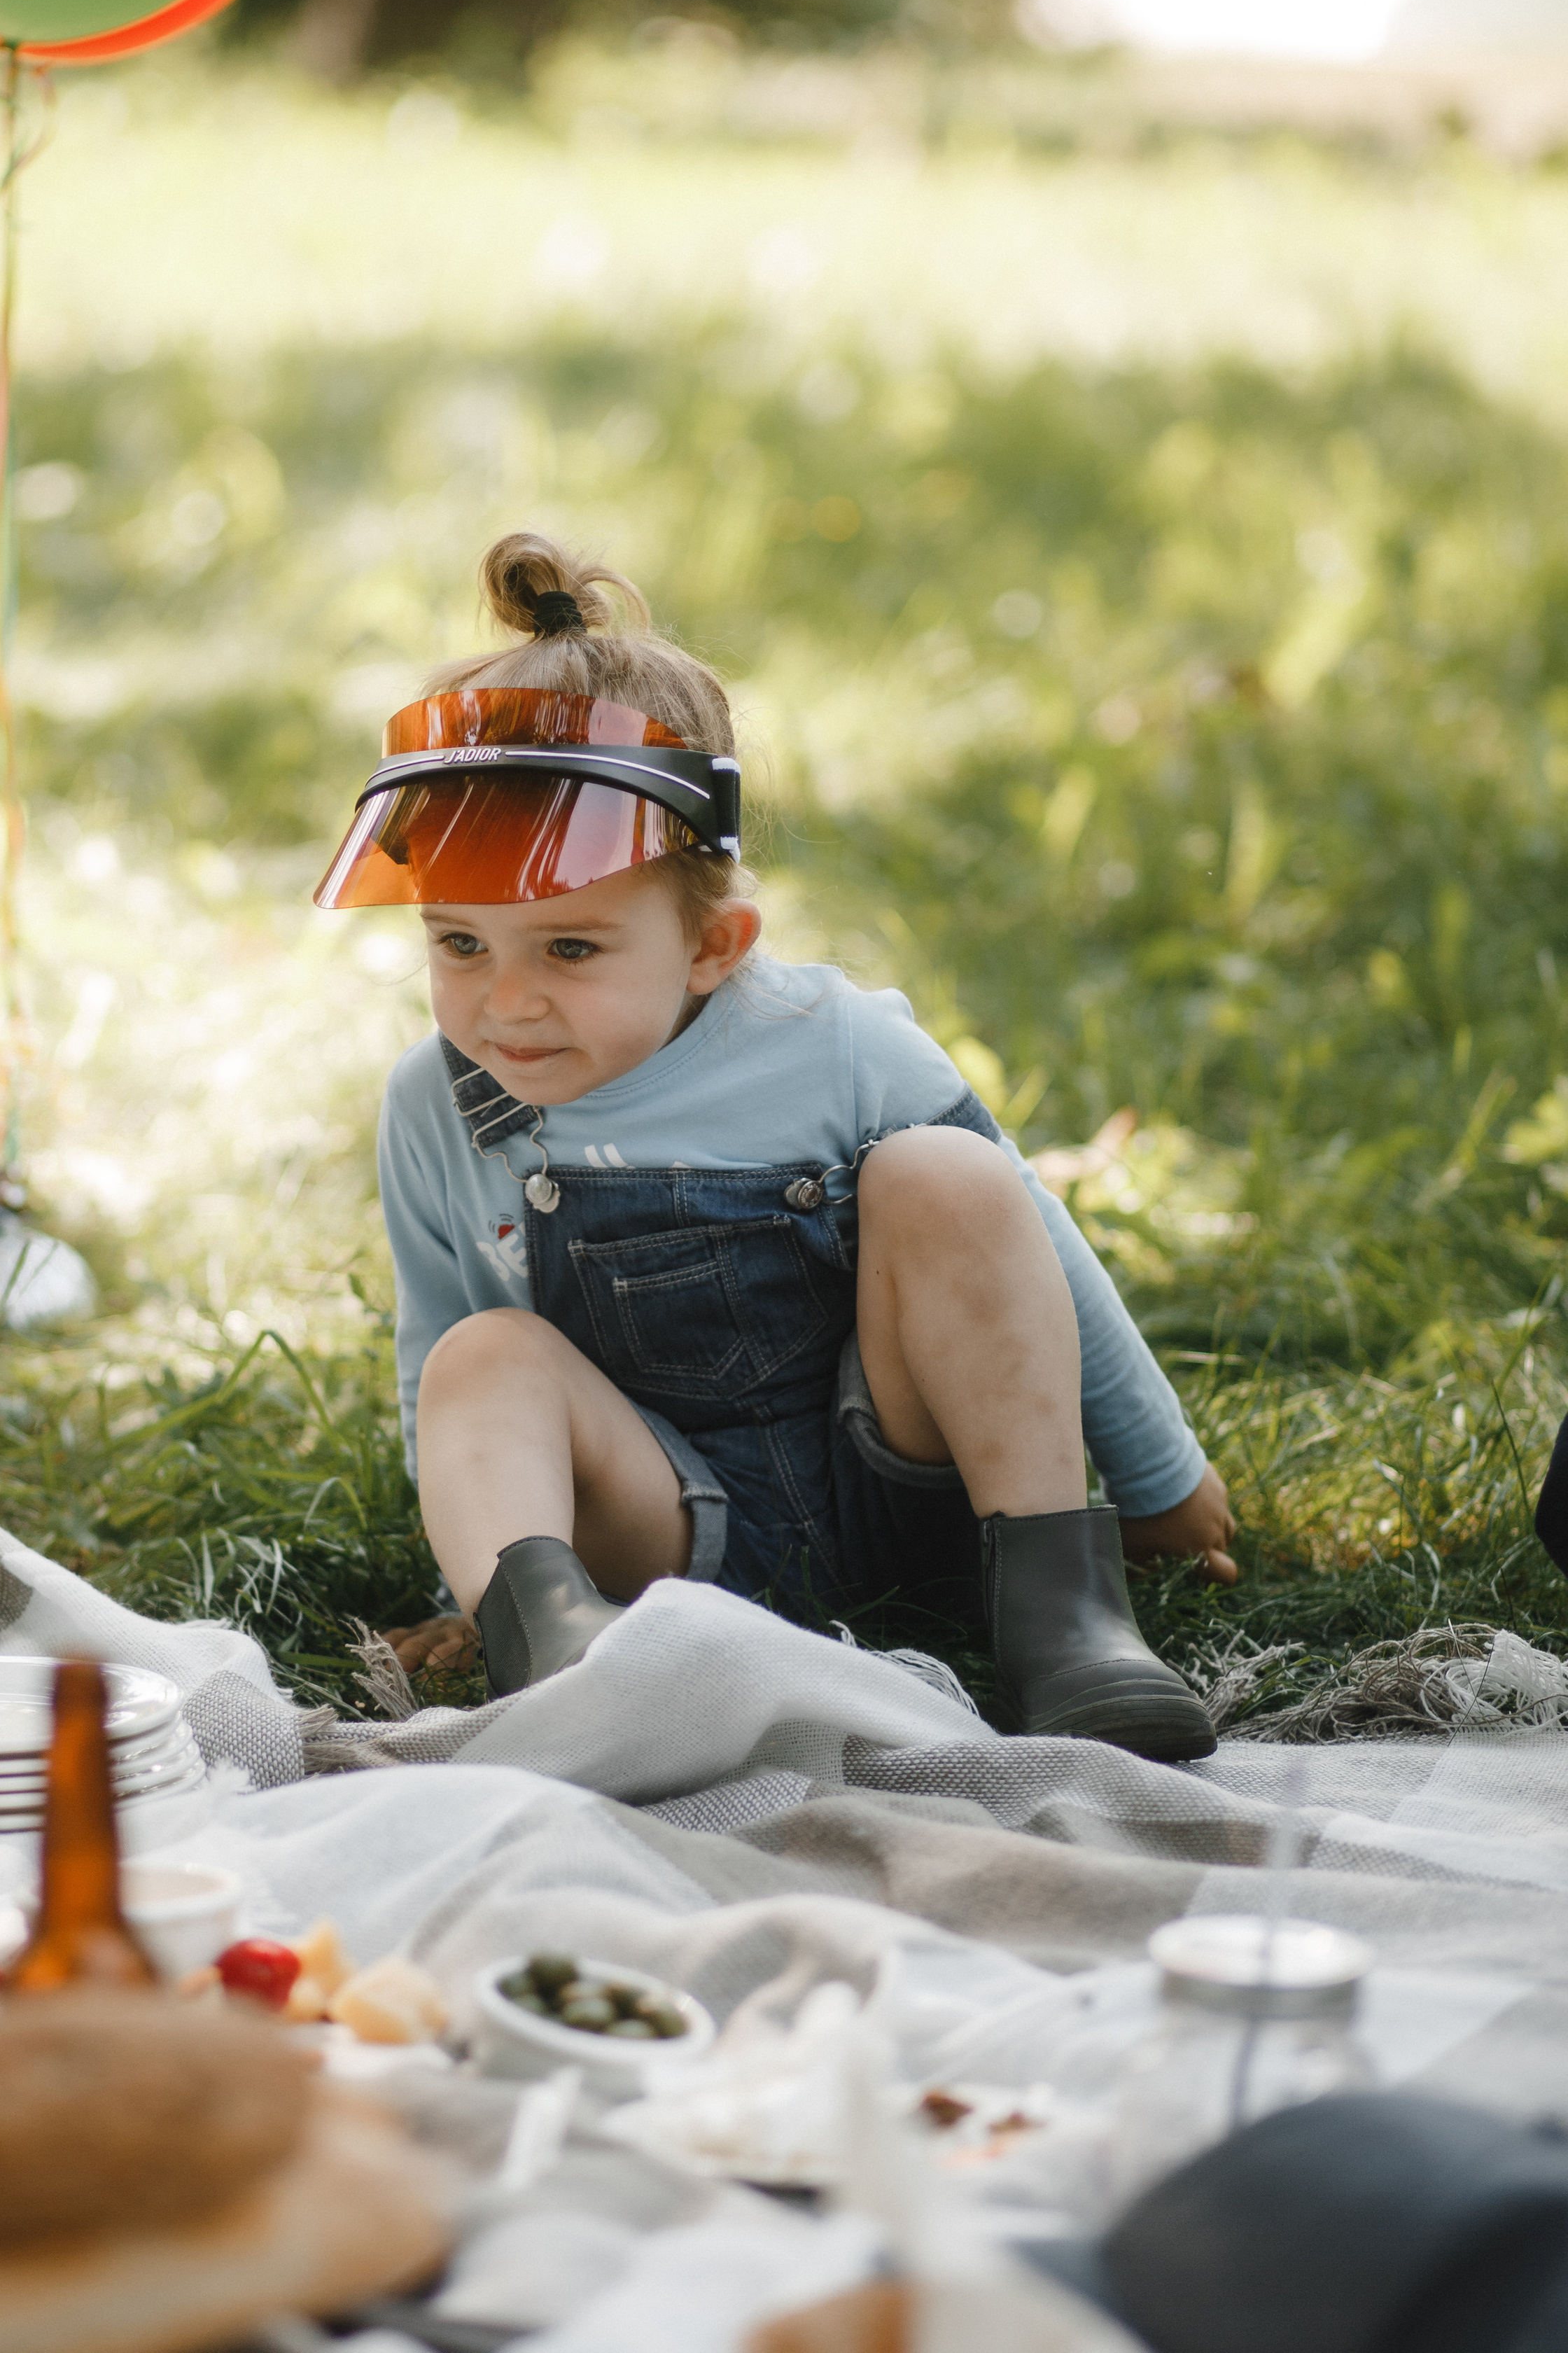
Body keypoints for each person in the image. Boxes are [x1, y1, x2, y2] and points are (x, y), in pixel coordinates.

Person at [316, 531, 1238, 1761]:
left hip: (909, 1484)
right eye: (460, 945)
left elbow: (1041, 1263)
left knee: (948, 1174)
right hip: (659, 1545)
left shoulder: (845, 1048)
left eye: (571, 949)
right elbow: (437, 1360)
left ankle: (1064, 1618)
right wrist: (472, 1582)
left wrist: (1167, 1493)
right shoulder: (441, 1102)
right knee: (484, 1353)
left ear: (715, 944)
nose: (506, 1003)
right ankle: (555, 1656)